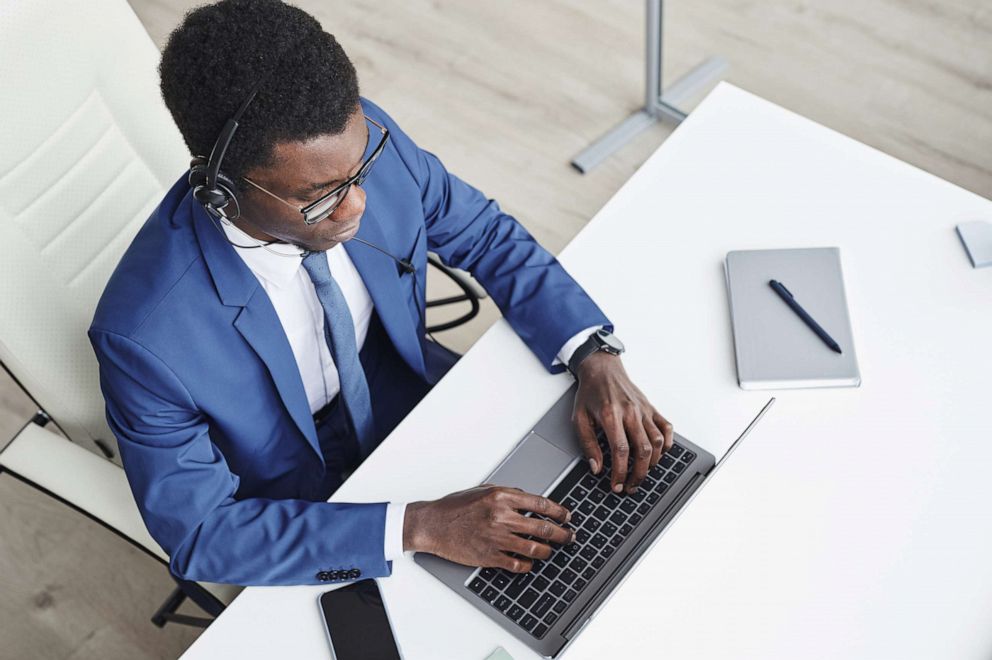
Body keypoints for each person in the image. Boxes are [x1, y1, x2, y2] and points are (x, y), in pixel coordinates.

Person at [89, 0, 673, 586]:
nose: (356, 206)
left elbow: (486, 235)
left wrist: (592, 353)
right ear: (222, 193)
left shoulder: (361, 144)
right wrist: (417, 527)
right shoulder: (143, 338)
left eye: (359, 173)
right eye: (319, 196)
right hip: (299, 502)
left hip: (414, 396)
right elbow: (201, 535)